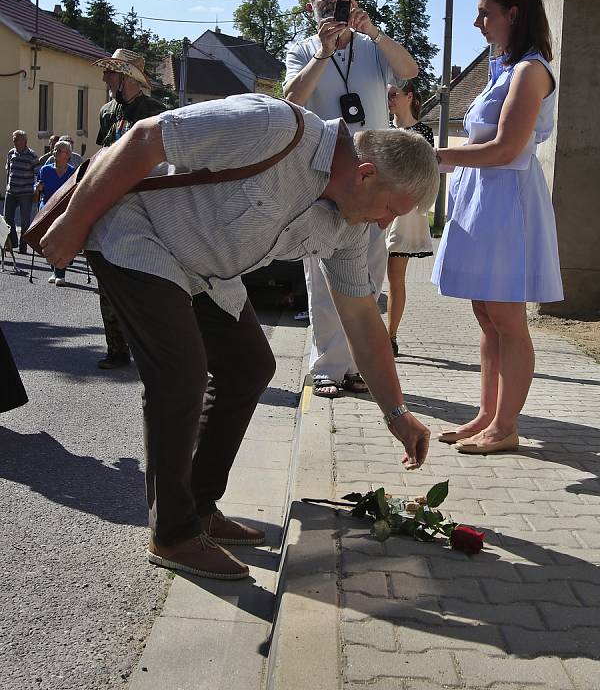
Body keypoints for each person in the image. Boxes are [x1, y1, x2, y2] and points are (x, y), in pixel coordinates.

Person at [40, 93, 438, 580]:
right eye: (389, 210)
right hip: (137, 231)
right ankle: (173, 534)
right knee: (179, 375)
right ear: (366, 173)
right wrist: (74, 221)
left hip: (207, 267)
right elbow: (143, 140)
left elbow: (361, 319)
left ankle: (200, 508)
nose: (384, 224)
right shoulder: (273, 126)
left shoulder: (349, 227)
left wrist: (395, 413)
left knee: (250, 366)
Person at [432, 0, 563, 455]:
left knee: (508, 319)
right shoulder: (504, 68)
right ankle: (487, 414)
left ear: (513, 13)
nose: (476, 21)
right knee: (486, 315)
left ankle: (506, 426)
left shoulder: (532, 70)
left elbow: (507, 148)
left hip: (507, 201)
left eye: (485, 12)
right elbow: (486, 143)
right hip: (483, 198)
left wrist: (437, 157)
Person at [285, 0, 419, 398]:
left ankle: (359, 366)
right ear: (312, 7)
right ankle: (327, 367)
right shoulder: (303, 49)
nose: (331, 0)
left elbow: (409, 70)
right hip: (324, 179)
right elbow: (291, 99)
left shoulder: (372, 46)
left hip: (375, 178)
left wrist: (375, 33)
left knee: (370, 277)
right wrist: (322, 54)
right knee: (323, 279)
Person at [92, 49, 166, 369]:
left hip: (145, 208)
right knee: (108, 281)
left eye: (111, 72)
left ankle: (155, 350)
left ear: (126, 77)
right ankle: (117, 350)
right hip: (111, 205)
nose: (105, 77)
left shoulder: (156, 112)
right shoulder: (107, 111)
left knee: (147, 282)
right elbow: (102, 155)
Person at [385, 80, 434, 357]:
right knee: (366, 275)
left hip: (404, 213)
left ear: (409, 96)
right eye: (388, 95)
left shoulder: (423, 132)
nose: (390, 99)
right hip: (375, 206)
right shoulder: (380, 127)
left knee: (395, 278)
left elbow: (425, 174)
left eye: (394, 94)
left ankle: (390, 336)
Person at [35, 140, 76, 286]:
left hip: (64, 209)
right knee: (49, 240)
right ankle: (55, 270)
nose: (54, 153)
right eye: (54, 150)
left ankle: (60, 273)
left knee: (59, 240)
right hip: (46, 208)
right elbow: (37, 190)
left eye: (59, 151)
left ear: (67, 155)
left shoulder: (72, 172)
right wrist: (38, 187)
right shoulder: (45, 170)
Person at [3, 130, 38, 255]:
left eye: (18, 140)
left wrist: (36, 190)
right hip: (11, 191)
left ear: (25, 141)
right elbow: (8, 171)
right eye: (14, 140)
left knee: (24, 221)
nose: (15, 142)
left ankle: (23, 247)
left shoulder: (32, 155)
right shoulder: (11, 153)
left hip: (25, 192)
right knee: (7, 219)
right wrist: (7, 185)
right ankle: (13, 242)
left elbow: (37, 173)